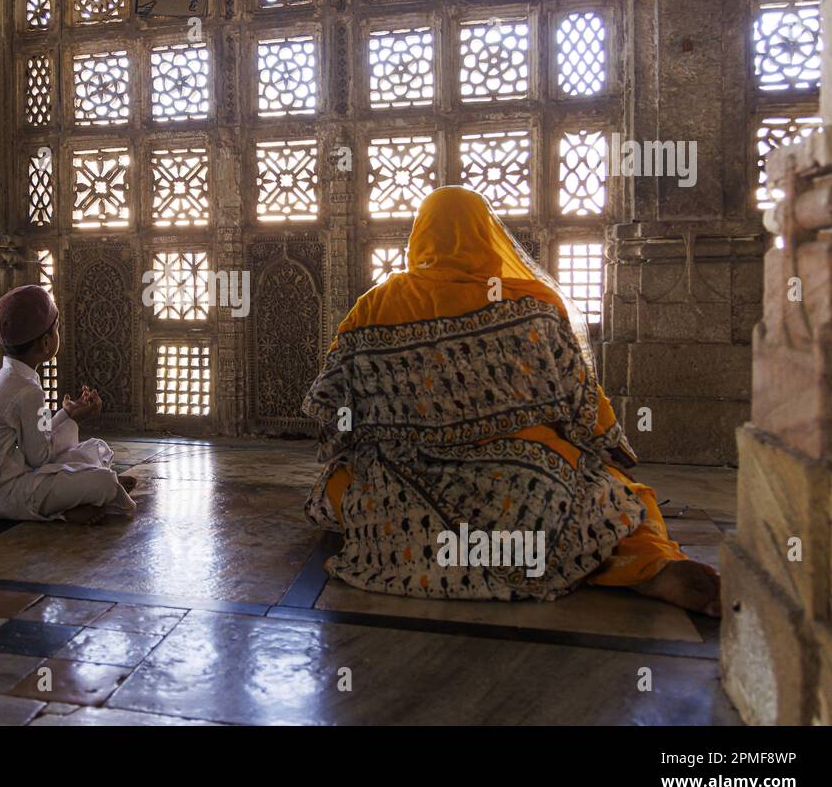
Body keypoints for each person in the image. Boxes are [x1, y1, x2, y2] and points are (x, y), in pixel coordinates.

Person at [302, 186, 721, 615]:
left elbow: (333, 408)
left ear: (420, 235)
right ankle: (649, 566)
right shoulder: (531, 305)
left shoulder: (373, 307)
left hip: (399, 488)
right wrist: (607, 448)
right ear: (487, 234)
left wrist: (354, 449)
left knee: (335, 491)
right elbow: (582, 404)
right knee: (616, 501)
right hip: (530, 481)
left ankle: (427, 545)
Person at [0, 284, 137, 525]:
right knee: (105, 482)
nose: (59, 334)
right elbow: (40, 457)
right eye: (57, 329)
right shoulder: (28, 390)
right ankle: (66, 509)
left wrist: (67, 414)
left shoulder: (14, 377)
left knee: (95, 449)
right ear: (46, 343)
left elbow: (38, 437)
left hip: (11, 478)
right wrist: (74, 419)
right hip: (7, 494)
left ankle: (75, 500)